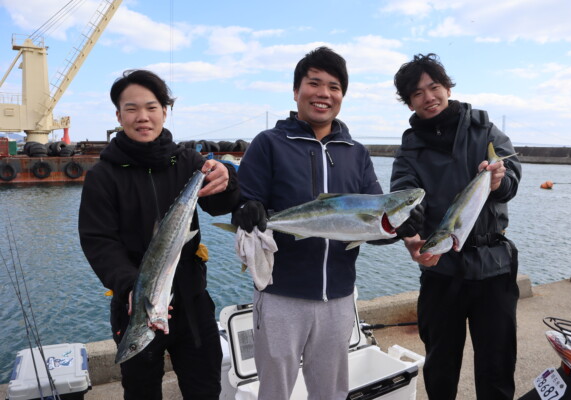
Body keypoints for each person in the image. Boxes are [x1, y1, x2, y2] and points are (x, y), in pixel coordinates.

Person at [231, 46, 423, 400]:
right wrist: (245, 210)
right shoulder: (269, 143)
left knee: (331, 392)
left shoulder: (356, 153)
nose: (324, 94)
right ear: (296, 91)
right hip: (279, 295)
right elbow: (246, 205)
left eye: (334, 87)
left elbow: (376, 227)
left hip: (337, 297)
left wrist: (398, 226)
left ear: (342, 96)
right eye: (314, 83)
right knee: (273, 391)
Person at [78, 69, 240, 400]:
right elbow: (98, 241)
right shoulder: (103, 176)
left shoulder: (189, 163)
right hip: (135, 304)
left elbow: (223, 204)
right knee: (141, 393)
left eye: (151, 107)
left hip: (193, 303)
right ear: (118, 114)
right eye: (132, 108)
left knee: (205, 389)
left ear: (165, 111)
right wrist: (128, 286)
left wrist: (228, 176)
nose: (143, 117)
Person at [390, 53, 522, 399]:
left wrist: (497, 182)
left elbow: (513, 181)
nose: (428, 97)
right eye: (417, 94)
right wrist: (411, 233)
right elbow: (402, 194)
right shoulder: (409, 149)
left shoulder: (486, 131)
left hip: (493, 267)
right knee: (440, 366)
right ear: (409, 102)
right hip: (441, 271)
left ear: (447, 87)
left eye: (434, 87)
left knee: (497, 367)